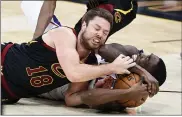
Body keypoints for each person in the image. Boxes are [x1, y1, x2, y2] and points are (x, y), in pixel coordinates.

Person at [1, 8, 137, 104]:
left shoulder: (91, 63)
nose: (100, 34)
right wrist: (112, 67)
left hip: (9, 93)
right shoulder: (65, 34)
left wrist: (121, 96)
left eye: (105, 32)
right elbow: (73, 73)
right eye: (96, 28)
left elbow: (71, 98)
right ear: (84, 25)